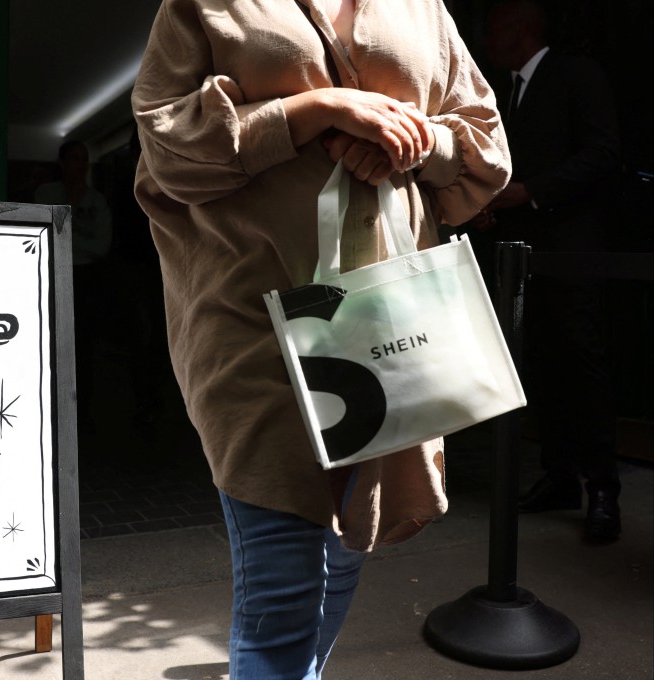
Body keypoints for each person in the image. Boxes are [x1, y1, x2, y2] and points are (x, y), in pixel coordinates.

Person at [132, 1, 511, 677]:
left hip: (386, 322)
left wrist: (411, 136)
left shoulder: (421, 7)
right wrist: (316, 112)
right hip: (250, 318)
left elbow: (485, 147)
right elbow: (167, 149)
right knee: (281, 581)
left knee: (344, 550)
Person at [480, 0, 622, 542]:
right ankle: (559, 475)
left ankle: (602, 488)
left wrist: (531, 193)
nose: (487, 36)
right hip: (521, 253)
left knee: (581, 363)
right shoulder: (506, 92)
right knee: (539, 361)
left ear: (519, 26)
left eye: (493, 24)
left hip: (573, 248)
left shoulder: (576, 75)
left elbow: (603, 154)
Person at [34, 140, 113, 434]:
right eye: (75, 158)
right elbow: (44, 236)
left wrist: (66, 239)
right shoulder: (47, 194)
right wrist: (72, 243)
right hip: (53, 275)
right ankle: (48, 409)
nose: (81, 165)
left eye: (85, 159)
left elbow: (101, 246)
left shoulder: (97, 201)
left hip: (87, 280)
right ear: (63, 162)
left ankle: (81, 413)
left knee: (84, 348)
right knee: (50, 343)